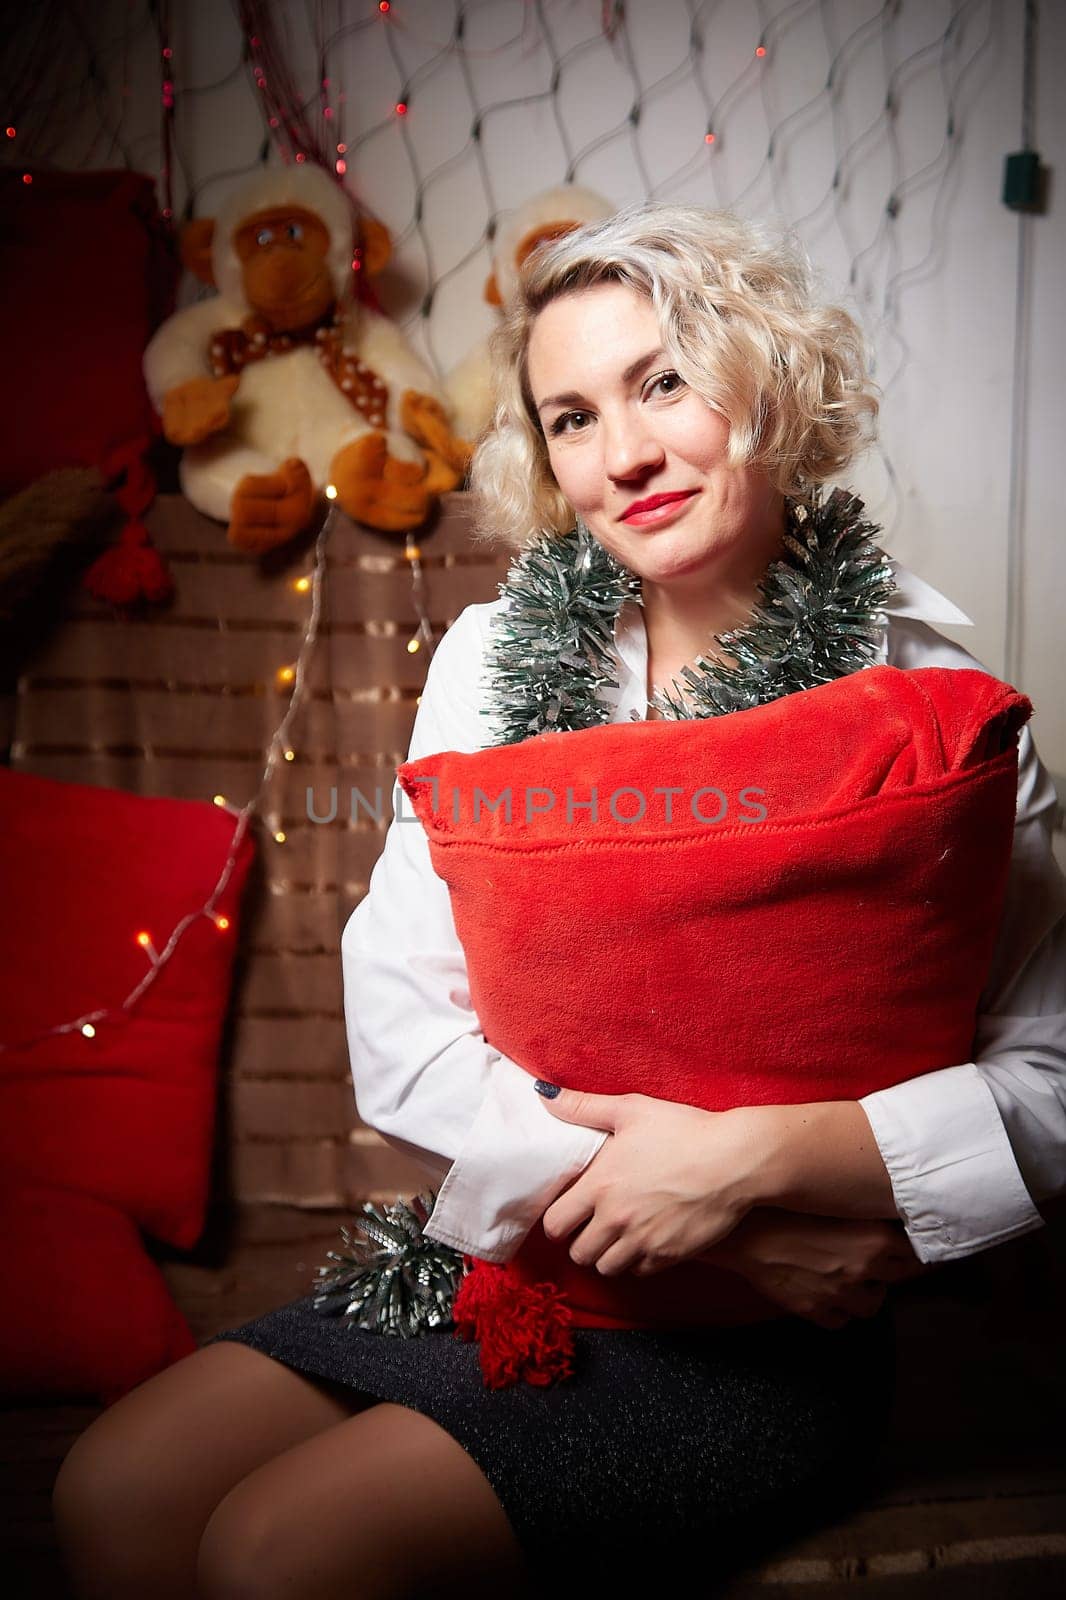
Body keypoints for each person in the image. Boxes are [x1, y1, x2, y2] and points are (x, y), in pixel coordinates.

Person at [52, 203, 1066, 1599]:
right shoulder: (490, 660)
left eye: (664, 382)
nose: (625, 454)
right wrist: (708, 1213)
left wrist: (752, 1168)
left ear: (766, 378)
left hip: (759, 1343)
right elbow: (402, 1019)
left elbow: (1046, 1081)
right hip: (517, 1261)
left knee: (279, 1557)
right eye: (571, 416)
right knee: (116, 1494)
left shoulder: (932, 699)